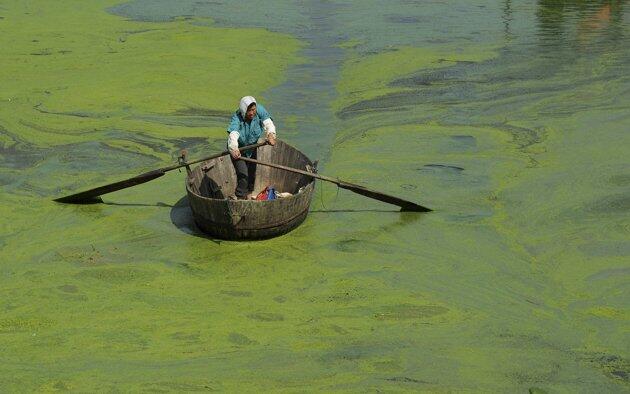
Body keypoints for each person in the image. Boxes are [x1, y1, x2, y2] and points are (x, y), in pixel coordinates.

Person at [227, 96, 277, 199]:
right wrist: (234, 149)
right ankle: (240, 197)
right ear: (243, 110)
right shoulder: (237, 118)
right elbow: (233, 134)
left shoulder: (259, 110)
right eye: (249, 110)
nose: (251, 113)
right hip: (239, 148)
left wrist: (271, 134)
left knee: (252, 172)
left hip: (252, 147)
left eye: (253, 110)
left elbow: (268, 123)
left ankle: (249, 195)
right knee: (243, 174)